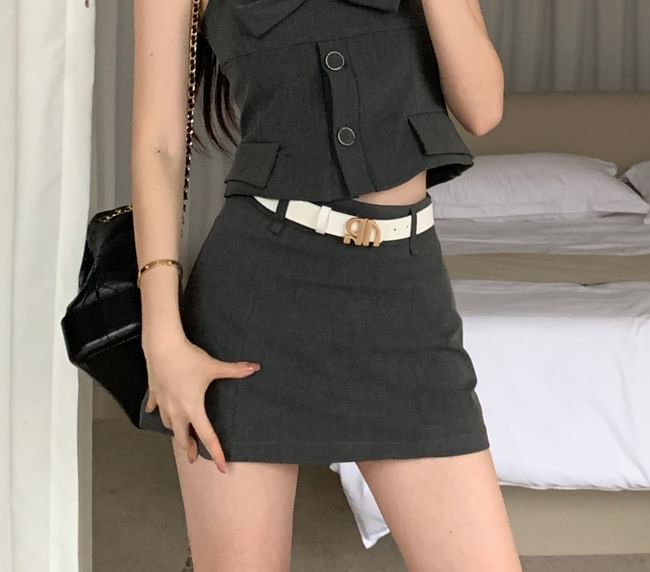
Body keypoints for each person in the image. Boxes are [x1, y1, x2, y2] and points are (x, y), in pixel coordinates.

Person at [131, 0, 518, 570]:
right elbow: (160, 144)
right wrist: (161, 336)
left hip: (404, 293)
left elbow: (482, 108)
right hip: (254, 300)